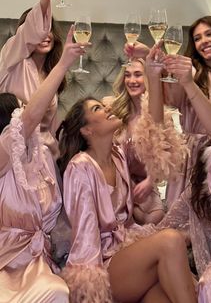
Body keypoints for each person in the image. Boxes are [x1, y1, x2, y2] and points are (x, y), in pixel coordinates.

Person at [56, 75, 194, 302]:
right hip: (101, 265)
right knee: (171, 240)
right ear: (86, 130)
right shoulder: (80, 168)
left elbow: (157, 138)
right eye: (98, 108)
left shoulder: (119, 154)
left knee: (164, 295)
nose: (108, 107)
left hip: (126, 249)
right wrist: (92, 289)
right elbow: (84, 235)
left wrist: (152, 71)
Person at [139, 45, 211, 303]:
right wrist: (152, 76)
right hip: (191, 256)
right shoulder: (201, 149)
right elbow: (158, 138)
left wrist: (189, 84)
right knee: (153, 296)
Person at [0, 26, 86, 303]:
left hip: (37, 258)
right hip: (5, 258)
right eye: (19, 110)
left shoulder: (42, 162)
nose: (27, 112)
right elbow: (30, 120)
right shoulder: (2, 155)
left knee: (58, 290)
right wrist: (64, 64)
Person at [124, 16, 211, 209]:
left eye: (209, 34)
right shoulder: (189, 74)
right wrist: (153, 69)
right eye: (197, 38)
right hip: (195, 161)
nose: (204, 41)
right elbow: (157, 114)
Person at [0, 0, 72, 158]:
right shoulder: (11, 59)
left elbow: (50, 128)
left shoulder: (52, 74)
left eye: (49, 30)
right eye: (40, 30)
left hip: (45, 158)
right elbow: (30, 33)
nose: (44, 35)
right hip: (12, 155)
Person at [103, 58, 165, 225]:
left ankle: (129, 213)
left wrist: (149, 182)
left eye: (138, 75)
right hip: (115, 182)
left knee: (154, 218)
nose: (131, 81)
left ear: (148, 79)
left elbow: (164, 158)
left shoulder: (159, 115)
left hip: (143, 186)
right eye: (127, 75)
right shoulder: (114, 110)